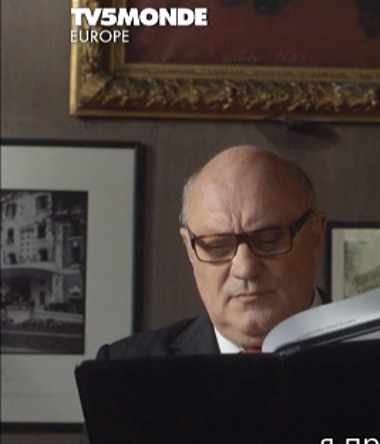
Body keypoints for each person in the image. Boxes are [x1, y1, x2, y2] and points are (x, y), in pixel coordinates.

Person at [95, 145, 327, 359]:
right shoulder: (121, 368)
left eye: (268, 239)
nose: (245, 269)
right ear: (189, 250)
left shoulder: (354, 360)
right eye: (217, 246)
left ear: (316, 238)